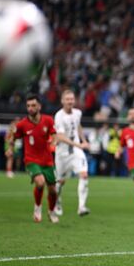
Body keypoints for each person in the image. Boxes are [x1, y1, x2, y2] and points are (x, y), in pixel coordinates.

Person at [6, 94, 59, 223]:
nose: (30, 108)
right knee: (40, 183)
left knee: (53, 190)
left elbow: (54, 135)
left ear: (39, 106)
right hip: (31, 160)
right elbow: (13, 137)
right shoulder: (22, 124)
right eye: (28, 106)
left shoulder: (48, 120)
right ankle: (37, 208)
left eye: (33, 105)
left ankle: (51, 212)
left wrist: (53, 143)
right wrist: (10, 149)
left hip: (47, 161)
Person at [53, 89, 90, 217]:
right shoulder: (59, 116)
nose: (70, 101)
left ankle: (81, 207)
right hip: (62, 153)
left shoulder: (77, 113)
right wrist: (78, 144)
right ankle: (57, 202)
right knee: (60, 182)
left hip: (76, 151)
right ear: (62, 101)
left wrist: (84, 141)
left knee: (84, 175)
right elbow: (61, 136)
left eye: (72, 99)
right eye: (67, 99)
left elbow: (78, 126)